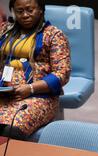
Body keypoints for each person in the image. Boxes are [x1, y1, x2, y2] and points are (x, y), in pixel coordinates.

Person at [0, 0, 71, 139]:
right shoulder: (5, 31)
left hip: (38, 96)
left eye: (30, 10)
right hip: (4, 93)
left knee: (10, 129)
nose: (25, 15)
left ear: (40, 9)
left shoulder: (54, 35)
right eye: (20, 11)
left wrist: (31, 88)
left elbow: (62, 73)